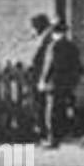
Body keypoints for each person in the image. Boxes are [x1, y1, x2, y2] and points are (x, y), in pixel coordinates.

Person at [38, 20, 82, 148]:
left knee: (51, 112)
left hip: (54, 83)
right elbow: (77, 66)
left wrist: (43, 80)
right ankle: (62, 136)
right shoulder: (72, 46)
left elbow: (49, 65)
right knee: (62, 110)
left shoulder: (54, 46)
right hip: (67, 83)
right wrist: (74, 82)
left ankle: (52, 139)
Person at [28, 13, 54, 142]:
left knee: (41, 104)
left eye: (34, 26)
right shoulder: (44, 37)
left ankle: (44, 132)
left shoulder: (47, 38)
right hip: (39, 75)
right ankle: (42, 130)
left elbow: (43, 57)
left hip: (42, 76)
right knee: (39, 104)